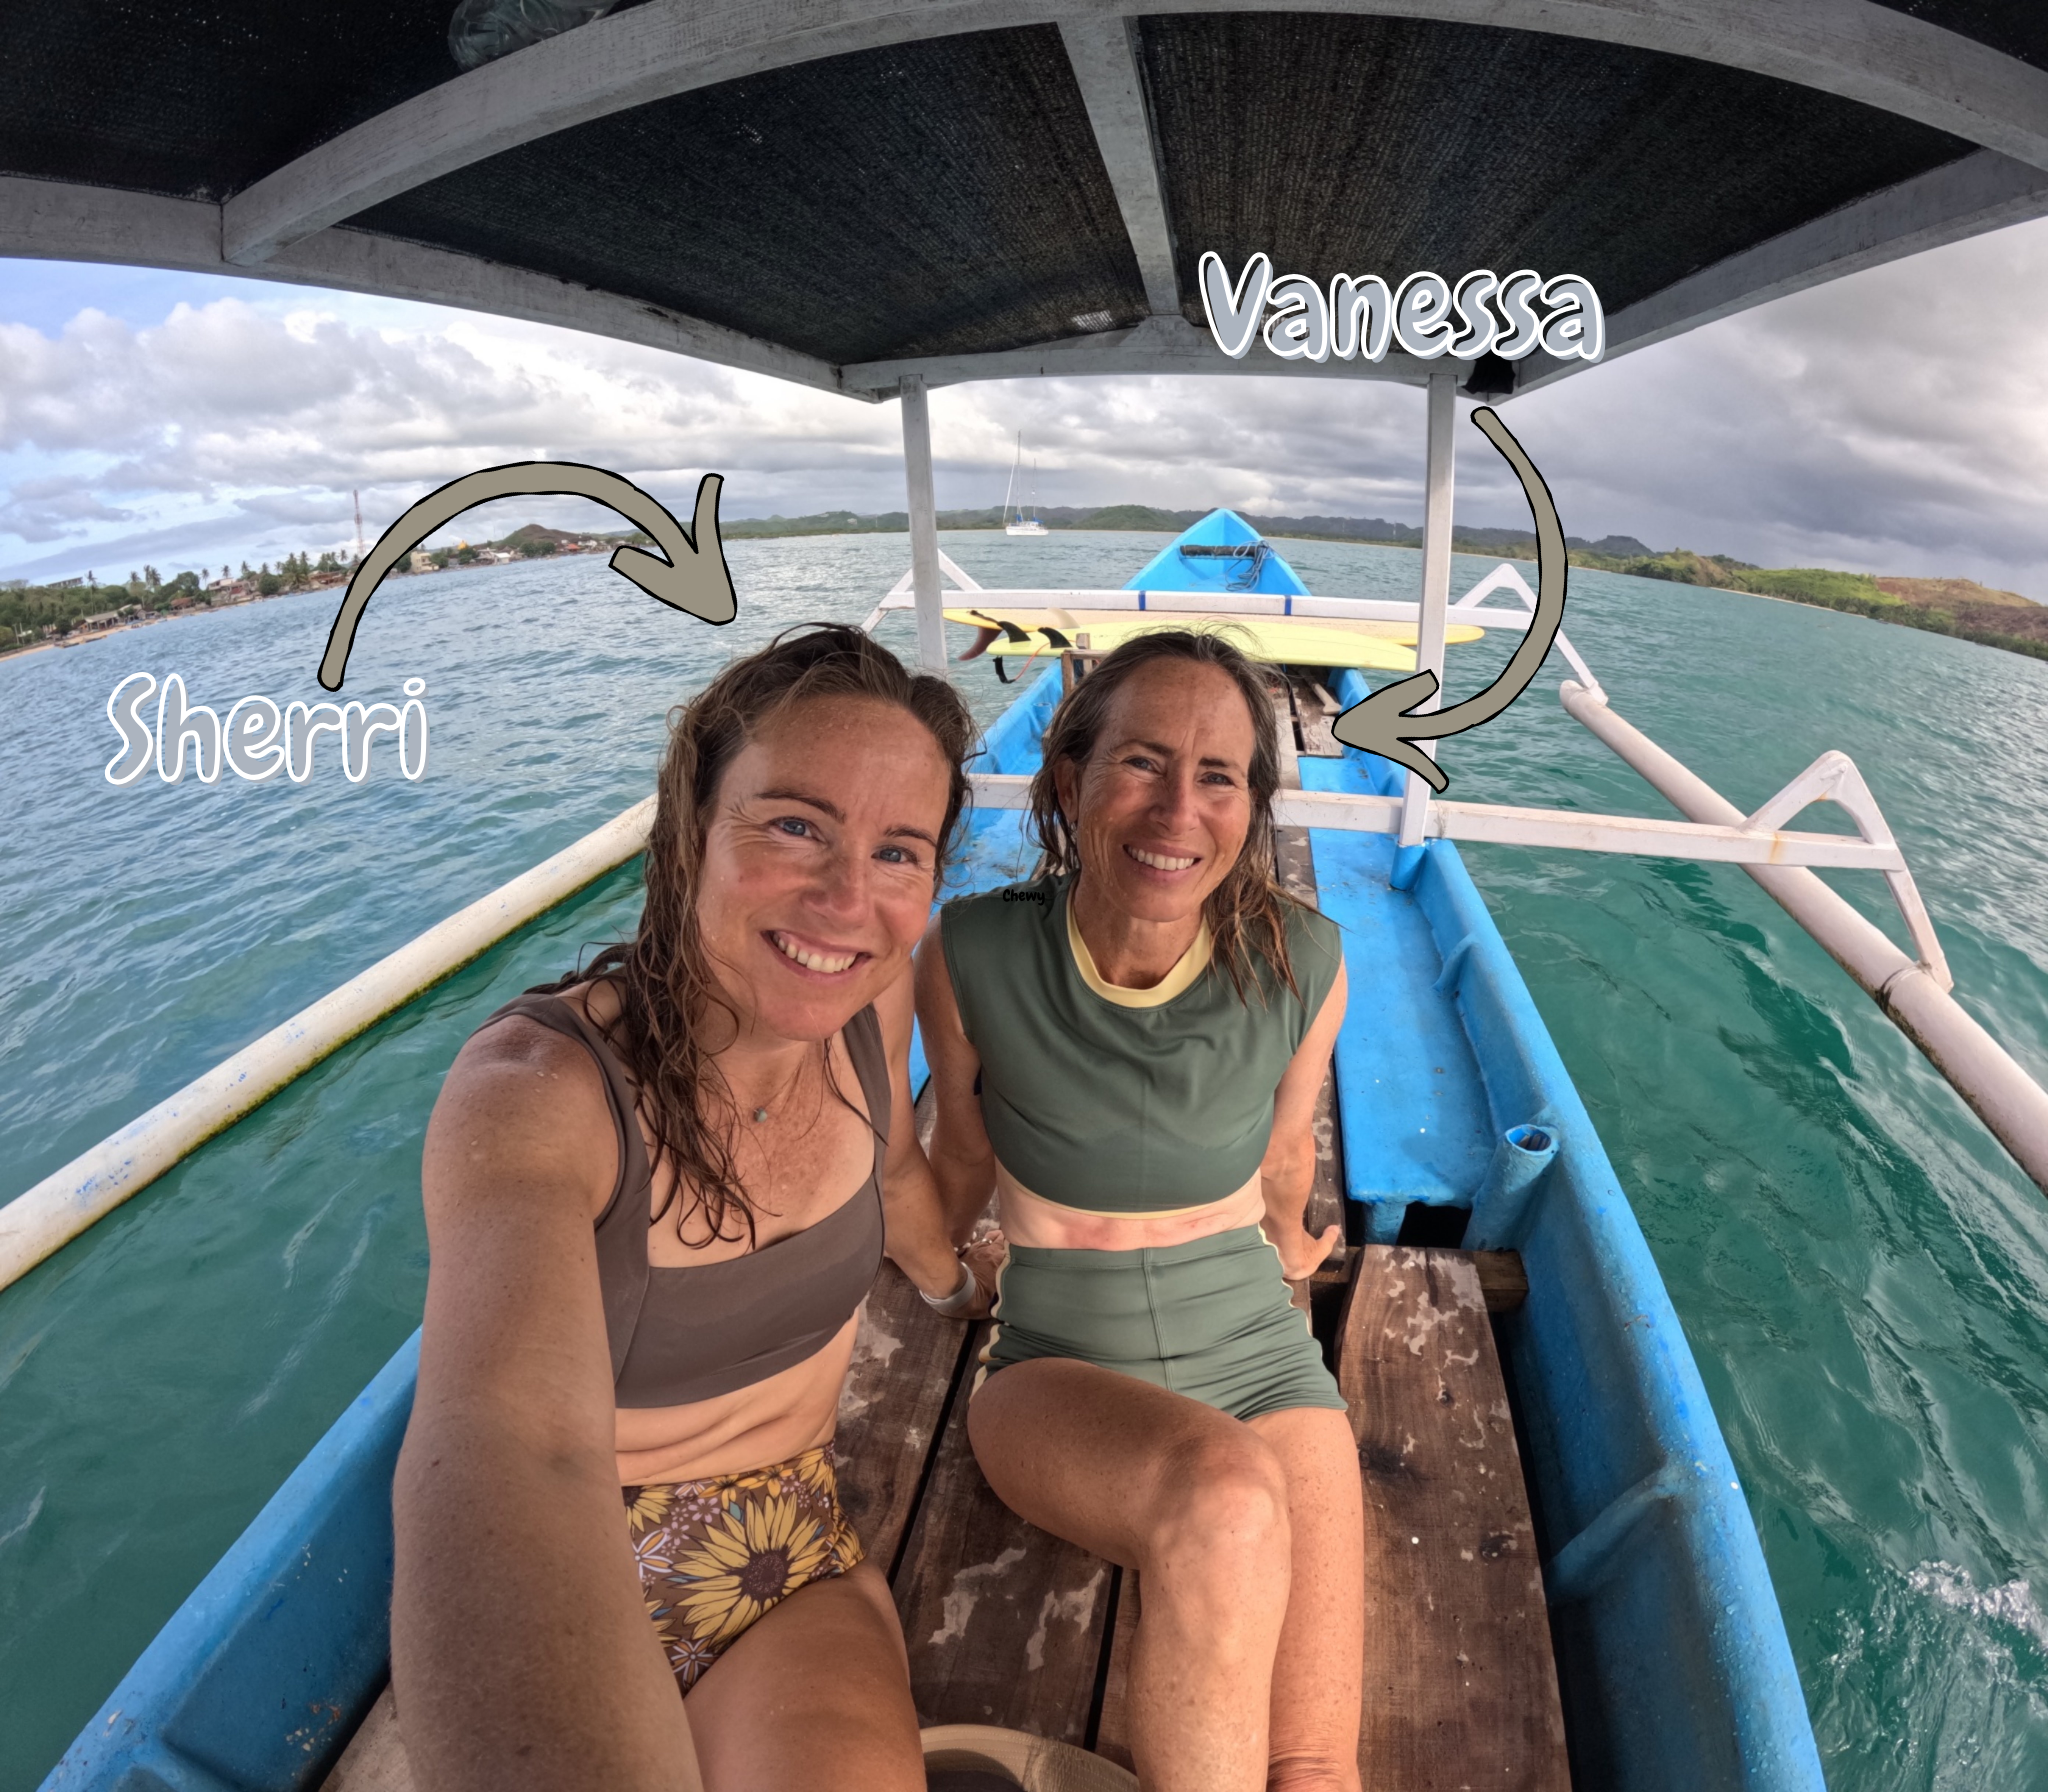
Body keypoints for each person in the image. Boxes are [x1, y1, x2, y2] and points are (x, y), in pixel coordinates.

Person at [392, 625, 986, 1792]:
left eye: (899, 851)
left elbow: (899, 1178)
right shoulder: (539, 1093)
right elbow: (517, 1446)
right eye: (795, 825)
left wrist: (969, 1289)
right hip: (566, 1550)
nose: (846, 900)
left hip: (780, 1555)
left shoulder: (866, 1010)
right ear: (688, 832)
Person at [917, 629, 1364, 1792]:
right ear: (1068, 778)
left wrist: (1298, 1250)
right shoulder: (971, 952)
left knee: (1315, 1766)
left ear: (1251, 803)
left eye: (1218, 775)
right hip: (1058, 1362)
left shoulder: (1303, 960)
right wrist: (934, 1268)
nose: (1178, 810)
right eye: (1141, 763)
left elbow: (1280, 1161)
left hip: (1258, 1358)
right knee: (1219, 1501)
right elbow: (956, 1159)